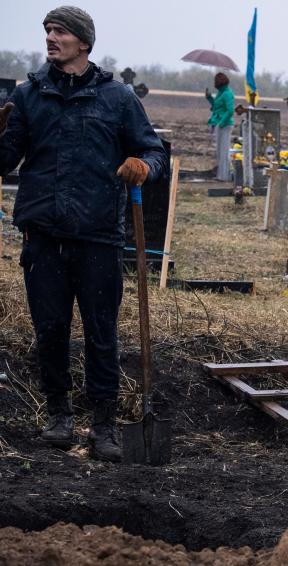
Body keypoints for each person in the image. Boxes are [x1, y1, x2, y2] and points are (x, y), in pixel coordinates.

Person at [0, 6, 167, 461]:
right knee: (50, 329)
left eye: (60, 32)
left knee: (101, 333)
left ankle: (105, 426)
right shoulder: (28, 96)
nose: (51, 38)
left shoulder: (117, 98)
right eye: (47, 31)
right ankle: (58, 416)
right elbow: (4, 162)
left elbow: (153, 151)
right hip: (43, 235)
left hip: (98, 236)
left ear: (83, 42)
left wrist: (143, 168)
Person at [204, 71, 234, 181]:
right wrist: (209, 98)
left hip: (225, 125)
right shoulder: (221, 93)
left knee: (224, 152)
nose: (214, 83)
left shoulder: (227, 93)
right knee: (220, 152)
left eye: (215, 81)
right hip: (219, 124)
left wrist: (221, 122)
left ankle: (224, 176)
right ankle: (220, 176)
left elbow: (230, 111)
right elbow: (217, 107)